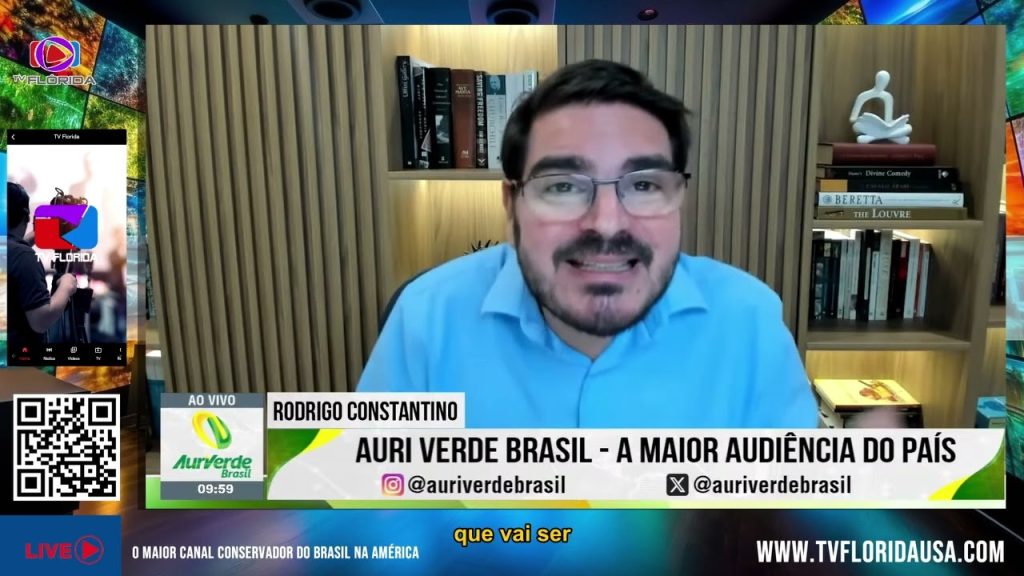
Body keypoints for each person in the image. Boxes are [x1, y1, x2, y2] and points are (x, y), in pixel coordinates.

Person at [358, 60, 818, 428]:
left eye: (644, 185)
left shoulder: (749, 320)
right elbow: (363, 505)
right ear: (511, 203)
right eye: (562, 186)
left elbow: (792, 508)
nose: (607, 224)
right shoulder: (426, 318)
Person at [7, 182, 77, 351]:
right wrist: (66, 286)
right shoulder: (24, 257)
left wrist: (37, 235)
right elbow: (40, 321)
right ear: (26, 216)